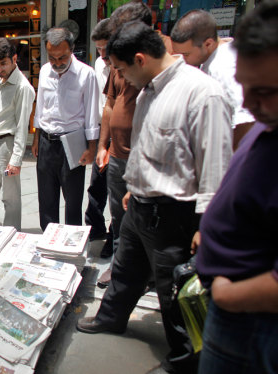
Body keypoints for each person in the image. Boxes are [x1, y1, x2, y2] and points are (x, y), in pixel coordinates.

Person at [76, 21, 232, 374]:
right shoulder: (149, 90)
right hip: (140, 204)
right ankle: (111, 318)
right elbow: (147, 148)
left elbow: (216, 166)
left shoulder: (202, 93)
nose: (119, 77)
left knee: (173, 292)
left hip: (174, 213)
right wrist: (134, 185)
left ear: (140, 59)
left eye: (119, 68)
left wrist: (208, 225)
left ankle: (184, 359)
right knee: (125, 270)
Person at [195, 2, 278, 372]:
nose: (247, 103)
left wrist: (229, 296)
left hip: (253, 324)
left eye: (263, 91)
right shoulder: (269, 123)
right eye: (244, 86)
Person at [94, 2, 153, 288]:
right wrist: (103, 145)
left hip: (147, 157)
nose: (108, 53)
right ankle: (120, 271)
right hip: (117, 153)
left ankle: (147, 276)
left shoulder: (160, 60)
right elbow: (110, 103)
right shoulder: (117, 63)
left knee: (148, 223)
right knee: (119, 218)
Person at [31, 27, 100, 231]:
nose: (57, 63)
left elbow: (91, 115)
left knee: (72, 201)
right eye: (52, 58)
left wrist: (91, 147)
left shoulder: (86, 75)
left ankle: (71, 246)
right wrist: (36, 138)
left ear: (72, 50)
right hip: (46, 140)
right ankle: (48, 241)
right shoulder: (45, 71)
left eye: (62, 57)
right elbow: (40, 107)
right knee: (46, 198)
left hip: (73, 141)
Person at [171, 9, 255, 150]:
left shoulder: (222, 66)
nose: (182, 60)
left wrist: (229, 158)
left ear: (208, 44)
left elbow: (245, 119)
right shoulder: (216, 57)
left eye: (186, 54)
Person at [0, 37, 35, 231]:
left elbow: (22, 126)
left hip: (8, 145)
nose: (0, 69)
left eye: (4, 63)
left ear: (14, 59)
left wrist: (16, 159)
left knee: (10, 197)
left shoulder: (23, 88)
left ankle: (12, 235)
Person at [84, 18, 113, 258]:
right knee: (97, 184)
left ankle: (115, 237)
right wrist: (98, 143)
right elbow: (103, 105)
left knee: (118, 189)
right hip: (105, 130)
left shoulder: (125, 66)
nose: (102, 54)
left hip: (124, 135)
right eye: (99, 49)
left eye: (106, 48)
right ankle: (95, 229)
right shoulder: (99, 65)